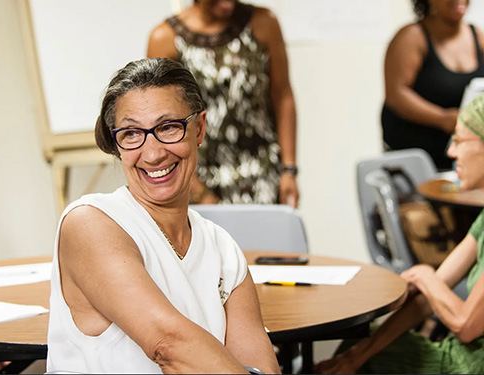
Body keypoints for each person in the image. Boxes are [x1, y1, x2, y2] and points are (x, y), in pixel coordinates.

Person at [45, 58, 279, 374]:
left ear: (199, 128)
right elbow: (168, 345)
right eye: (131, 134)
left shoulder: (222, 248)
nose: (153, 153)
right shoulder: (90, 222)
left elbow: (258, 366)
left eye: (168, 127)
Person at [315, 94, 484, 374]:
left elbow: (465, 325)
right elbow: (427, 297)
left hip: (472, 365)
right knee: (358, 344)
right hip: (462, 354)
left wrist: (426, 277)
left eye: (459, 141)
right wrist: (354, 358)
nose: (451, 152)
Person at [147, 0, 298, 206]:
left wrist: (289, 170)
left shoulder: (263, 24)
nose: (228, 4)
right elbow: (160, 124)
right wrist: (196, 189)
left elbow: (282, 96)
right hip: (201, 178)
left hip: (263, 172)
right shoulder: (165, 39)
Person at [381, 0, 484, 171]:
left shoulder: (477, 35)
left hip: (461, 161)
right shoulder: (411, 37)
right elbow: (396, 93)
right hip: (416, 160)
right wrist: (443, 118)